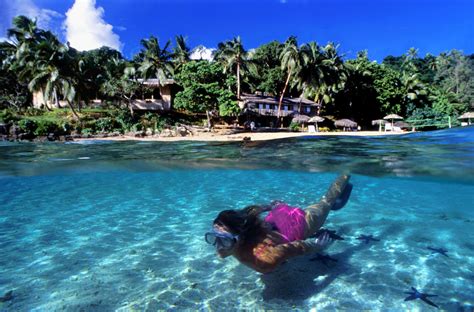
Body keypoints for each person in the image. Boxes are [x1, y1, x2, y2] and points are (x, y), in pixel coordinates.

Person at [205, 175, 352, 273]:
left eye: (223, 240)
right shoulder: (242, 227)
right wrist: (270, 207)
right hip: (276, 215)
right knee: (325, 204)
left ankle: (346, 174)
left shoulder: (265, 261)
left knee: (326, 201)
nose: (218, 247)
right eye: (213, 238)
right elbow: (249, 212)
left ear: (240, 238)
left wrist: (317, 246)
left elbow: (295, 247)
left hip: (300, 223)